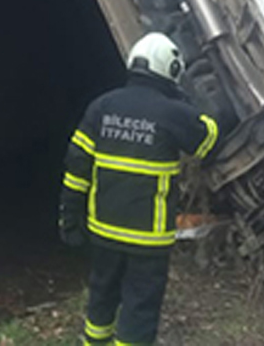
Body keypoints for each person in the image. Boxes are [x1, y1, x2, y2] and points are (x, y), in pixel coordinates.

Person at [60, 33, 219, 346]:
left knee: (102, 294)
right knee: (140, 308)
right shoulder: (174, 113)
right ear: (170, 70)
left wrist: (69, 216)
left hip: (103, 230)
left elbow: (76, 168)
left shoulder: (101, 106)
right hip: (148, 239)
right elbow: (208, 141)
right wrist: (188, 102)